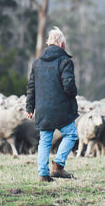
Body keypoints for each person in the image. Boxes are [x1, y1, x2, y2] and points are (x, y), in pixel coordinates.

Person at [25, 26, 79, 182]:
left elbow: (31, 87)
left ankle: (43, 174)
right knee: (71, 134)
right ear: (62, 45)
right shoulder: (65, 61)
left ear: (48, 44)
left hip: (42, 110)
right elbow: (69, 85)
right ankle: (58, 165)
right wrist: (73, 93)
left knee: (45, 141)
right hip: (61, 109)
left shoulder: (37, 63)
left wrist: (29, 108)